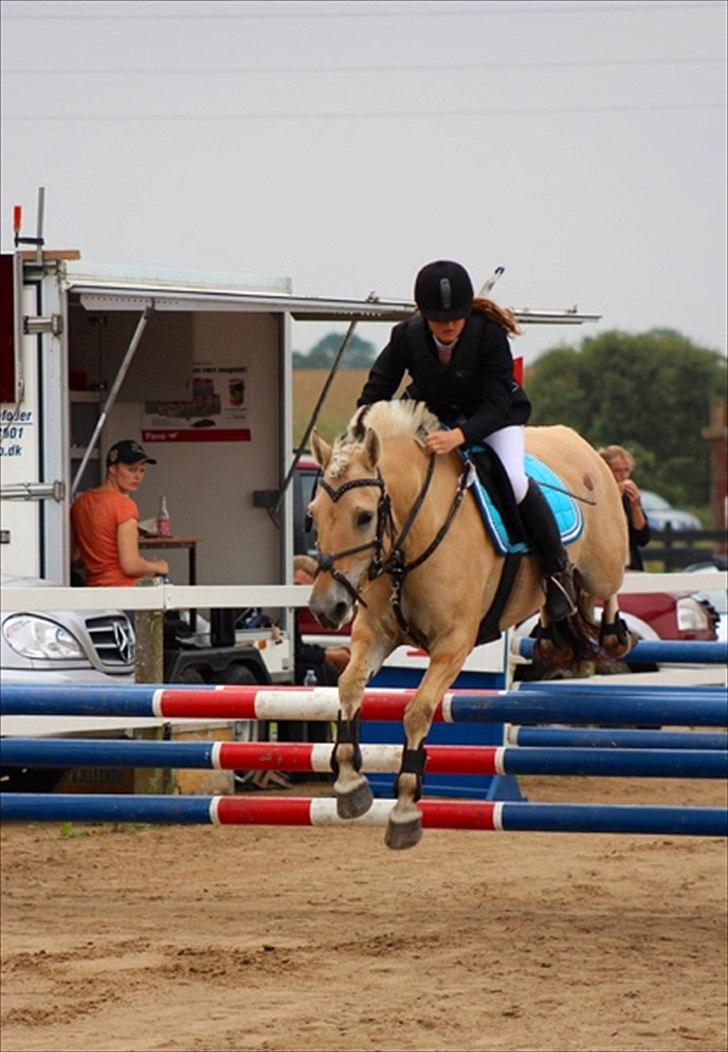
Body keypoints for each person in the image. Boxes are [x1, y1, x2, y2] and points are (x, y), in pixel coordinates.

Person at [357, 259, 576, 621]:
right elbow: (376, 391)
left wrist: (459, 435)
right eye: (439, 319)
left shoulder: (488, 335)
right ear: (424, 315)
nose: (448, 326)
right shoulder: (406, 336)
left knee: (515, 481)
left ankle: (557, 572)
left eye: (456, 318)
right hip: (434, 418)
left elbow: (496, 402)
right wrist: (360, 432)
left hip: (495, 420)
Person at [71, 439, 169, 587]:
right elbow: (130, 565)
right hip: (122, 590)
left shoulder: (81, 503)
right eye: (131, 470)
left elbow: (72, 555)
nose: (138, 477)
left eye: (142, 470)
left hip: (93, 590)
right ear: (113, 469)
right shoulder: (124, 505)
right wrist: (157, 566)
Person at [293, 555, 351, 684]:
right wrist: (329, 655)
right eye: (297, 585)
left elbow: (297, 648)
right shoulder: (280, 615)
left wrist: (328, 653)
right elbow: (294, 652)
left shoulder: (292, 614)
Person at [598, 445, 651, 571]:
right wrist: (613, 498)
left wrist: (635, 506)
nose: (623, 476)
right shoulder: (596, 496)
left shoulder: (628, 498)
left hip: (630, 566)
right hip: (605, 568)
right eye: (617, 471)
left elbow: (642, 538)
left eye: (626, 470)